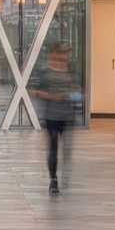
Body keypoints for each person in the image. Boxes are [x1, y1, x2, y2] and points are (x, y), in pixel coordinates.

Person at [28, 43, 79, 193]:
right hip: (51, 116)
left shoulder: (72, 75)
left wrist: (66, 95)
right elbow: (35, 92)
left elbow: (78, 94)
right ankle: (53, 179)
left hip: (67, 116)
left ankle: (63, 175)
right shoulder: (46, 74)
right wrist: (51, 96)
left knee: (66, 149)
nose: (63, 59)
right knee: (54, 147)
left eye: (65, 57)